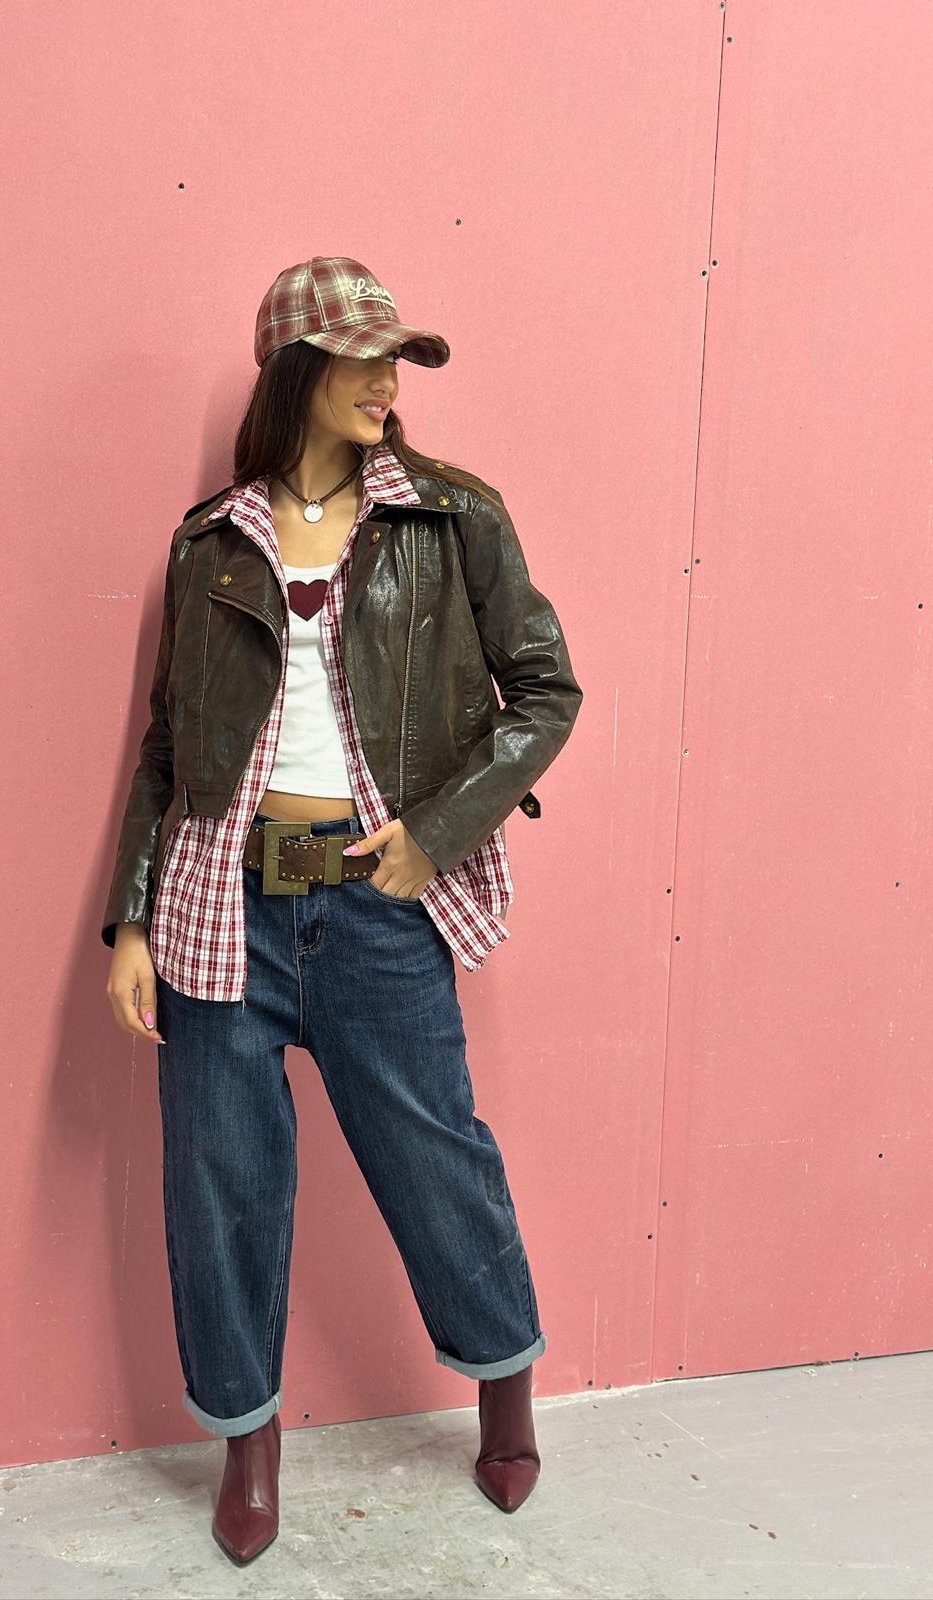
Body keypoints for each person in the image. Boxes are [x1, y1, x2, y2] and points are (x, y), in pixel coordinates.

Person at [102, 256, 583, 1565]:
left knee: (438, 1162)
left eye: (396, 362)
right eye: (364, 359)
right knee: (222, 1186)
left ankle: (505, 1389)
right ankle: (248, 1448)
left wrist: (439, 833)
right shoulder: (211, 540)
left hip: (376, 910)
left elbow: (547, 691)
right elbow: (168, 745)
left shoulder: (452, 516)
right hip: (223, 904)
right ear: (297, 372)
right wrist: (133, 921)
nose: (387, 383)